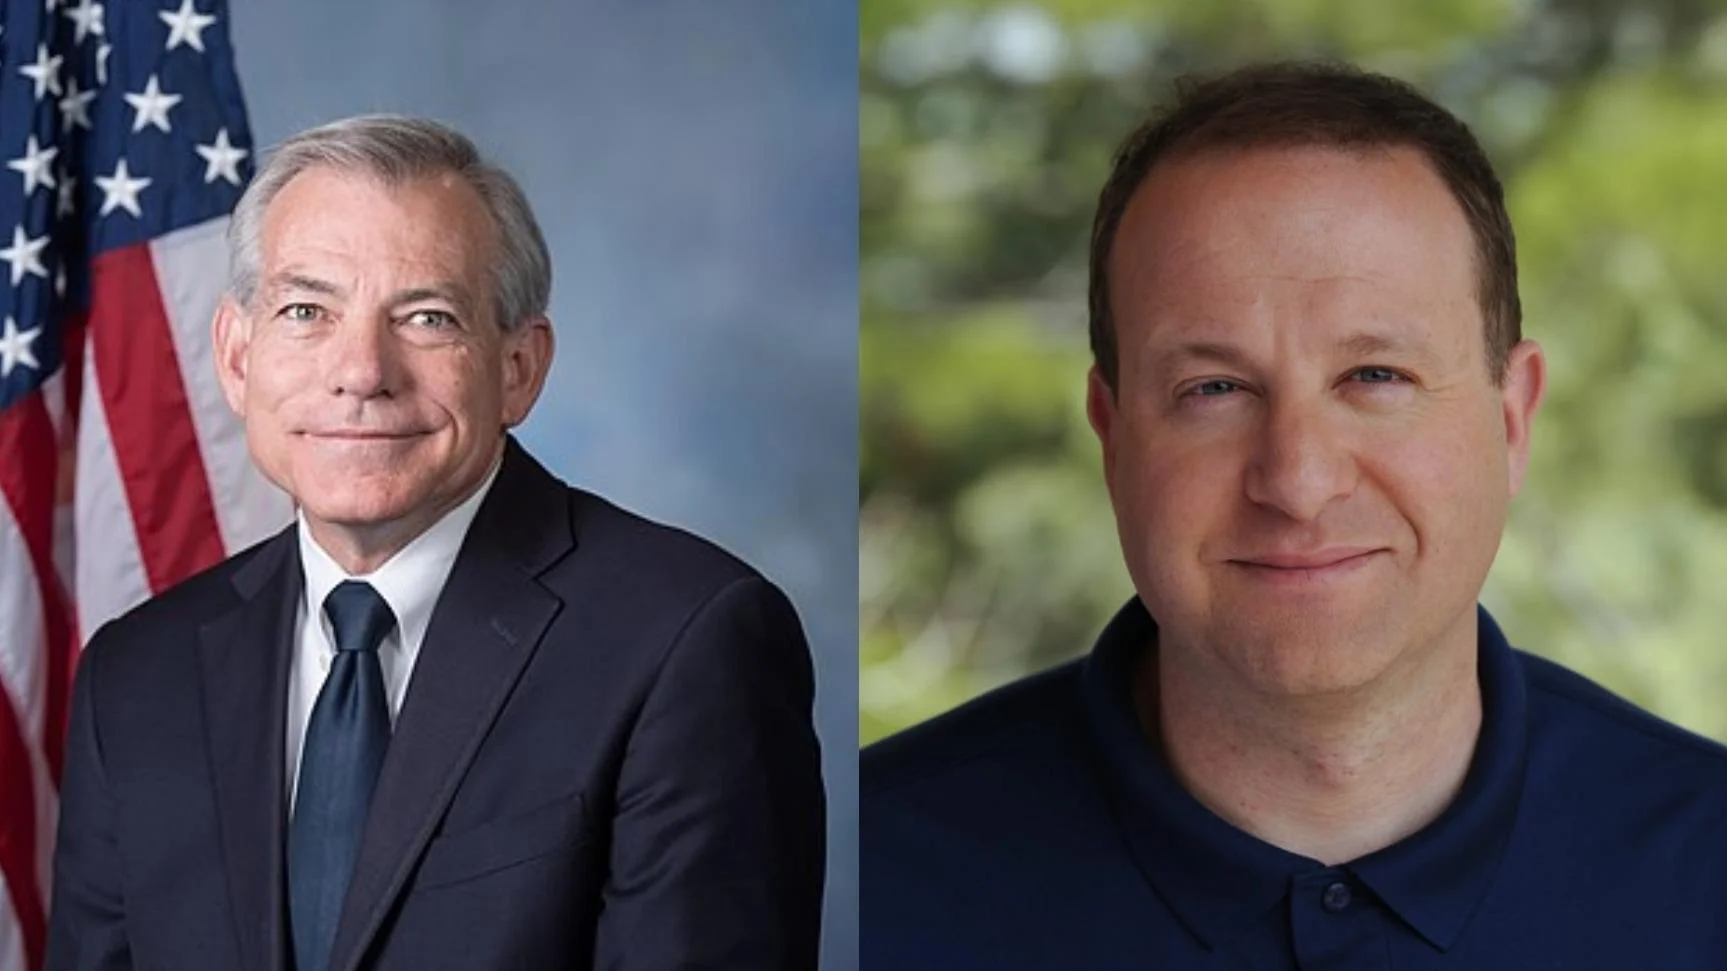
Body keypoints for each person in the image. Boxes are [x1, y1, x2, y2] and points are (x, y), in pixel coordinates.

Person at [862, 61, 1727, 968]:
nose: (1298, 480)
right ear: (1112, 441)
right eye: (1215, 388)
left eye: (1374, 376)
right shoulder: (850, 881)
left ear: (1510, 420)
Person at [47, 115, 825, 971]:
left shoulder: (687, 640)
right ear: (237, 358)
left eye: (425, 317)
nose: (361, 371)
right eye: (307, 310)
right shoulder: (136, 674)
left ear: (519, 367)